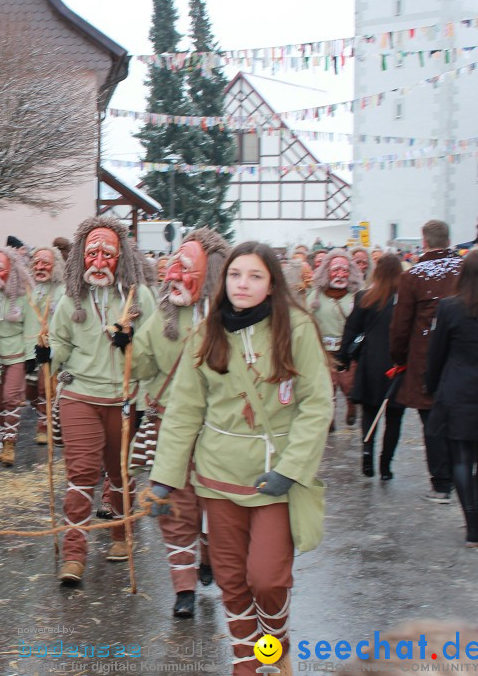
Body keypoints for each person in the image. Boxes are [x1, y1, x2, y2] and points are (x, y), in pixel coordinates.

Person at [149, 241, 331, 675]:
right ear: (224, 280)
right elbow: (184, 411)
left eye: (254, 276)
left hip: (273, 479)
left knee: (266, 580)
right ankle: (248, 664)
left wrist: (290, 470)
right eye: (235, 275)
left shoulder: (298, 328)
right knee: (231, 582)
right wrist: (165, 477)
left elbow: (317, 403)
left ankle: (274, 648)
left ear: (271, 285)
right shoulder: (207, 332)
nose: (242, 284)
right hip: (217, 478)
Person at [44, 216, 156, 583]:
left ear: (121, 256)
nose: (98, 261)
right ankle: (74, 555)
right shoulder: (71, 298)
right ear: (81, 257)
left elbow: (158, 349)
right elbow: (60, 341)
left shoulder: (141, 297)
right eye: (92, 253)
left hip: (124, 398)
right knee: (81, 475)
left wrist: (132, 345)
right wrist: (47, 355)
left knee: (120, 475)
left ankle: (122, 536)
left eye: (107, 253)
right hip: (79, 394)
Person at [130, 228, 229, 619]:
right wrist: (126, 344)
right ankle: (183, 586)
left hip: (216, 430)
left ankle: (208, 555)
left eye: (184, 270)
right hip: (168, 426)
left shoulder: (228, 319)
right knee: (173, 507)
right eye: (173, 268)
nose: (172, 276)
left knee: (214, 502)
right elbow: (142, 365)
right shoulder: (162, 315)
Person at [390, 219, 462, 504]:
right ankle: (462, 476)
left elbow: (401, 324)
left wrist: (398, 358)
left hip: (424, 359)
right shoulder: (466, 270)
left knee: (432, 422)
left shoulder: (414, 276)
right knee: (460, 419)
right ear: (448, 240)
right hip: (462, 357)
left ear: (424, 242)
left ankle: (441, 483)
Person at [424, 249, 478, 547]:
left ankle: (472, 523)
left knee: (461, 458)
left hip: (458, 389)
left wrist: (432, 385)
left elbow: (436, 351)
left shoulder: (449, 307)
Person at [337, 254, 405, 480]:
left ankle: (367, 452)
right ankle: (386, 465)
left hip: (370, 363)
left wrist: (344, 360)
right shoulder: (405, 300)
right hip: (398, 366)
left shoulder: (364, 297)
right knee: (394, 418)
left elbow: (351, 330)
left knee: (369, 413)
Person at [0, 247, 38, 467]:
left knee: (12, 397)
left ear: (11, 270)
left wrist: (32, 356)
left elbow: (32, 325)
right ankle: (2, 440)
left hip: (16, 354)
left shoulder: (24, 294)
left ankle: (10, 443)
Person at [308, 248, 364, 430]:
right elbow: (305, 317)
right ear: (327, 272)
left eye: (344, 270)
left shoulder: (356, 296)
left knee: (347, 385)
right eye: (335, 270)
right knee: (327, 386)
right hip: (324, 350)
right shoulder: (316, 295)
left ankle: (351, 405)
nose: (340, 274)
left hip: (347, 351)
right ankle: (329, 417)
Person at [27, 246, 66, 446]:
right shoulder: (31, 288)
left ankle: (46, 425)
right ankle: (46, 418)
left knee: (46, 387)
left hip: (52, 349)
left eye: (45, 263)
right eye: (37, 263)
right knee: (30, 390)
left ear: (55, 267)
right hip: (29, 349)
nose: (40, 267)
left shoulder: (63, 290)